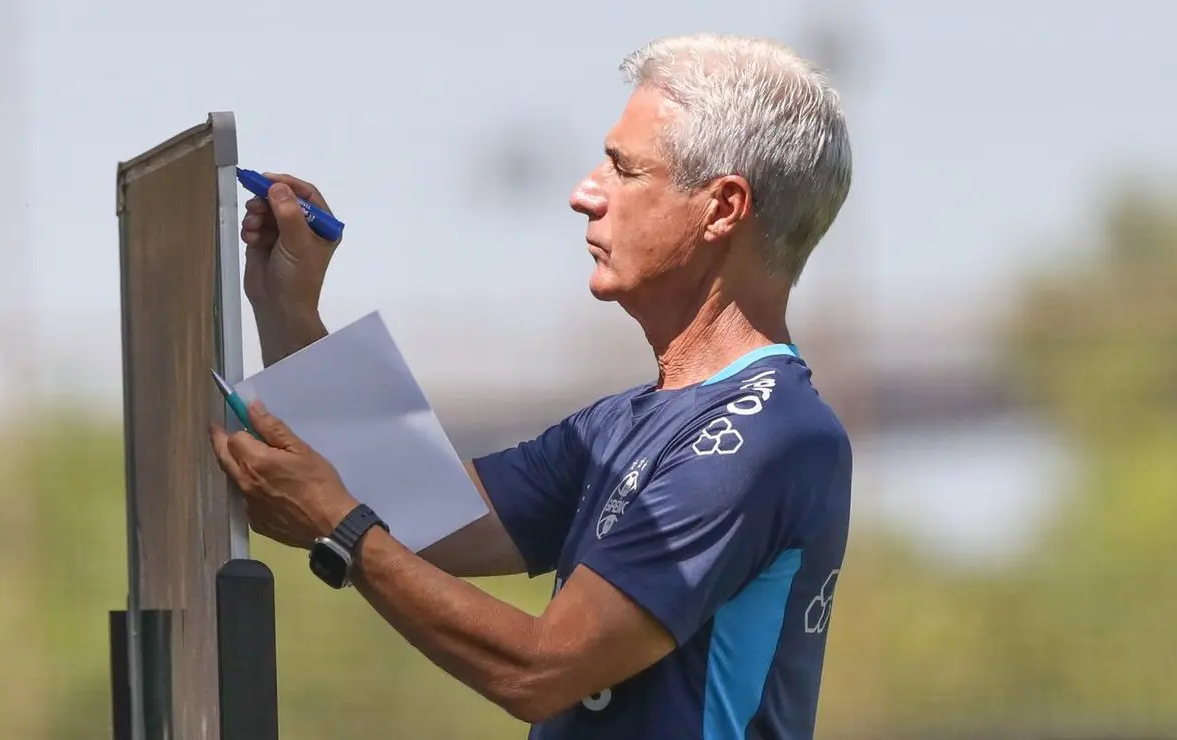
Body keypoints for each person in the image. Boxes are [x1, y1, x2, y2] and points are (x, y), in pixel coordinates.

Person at [209, 31, 854, 740]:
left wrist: (339, 529)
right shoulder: (625, 423)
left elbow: (541, 669)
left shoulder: (769, 434)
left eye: (623, 169)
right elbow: (417, 511)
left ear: (723, 208)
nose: (585, 195)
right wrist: (289, 306)